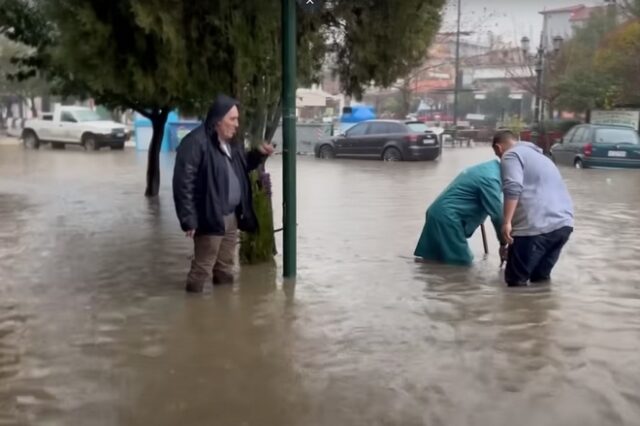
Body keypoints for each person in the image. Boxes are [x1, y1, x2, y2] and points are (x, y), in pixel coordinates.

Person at [173, 94, 274, 293]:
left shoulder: (231, 144)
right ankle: (193, 311)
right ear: (218, 119)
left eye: (237, 119)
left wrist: (259, 155)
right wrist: (188, 219)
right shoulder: (195, 143)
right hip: (209, 217)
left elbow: (243, 165)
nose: (237, 124)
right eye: (233, 119)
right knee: (202, 268)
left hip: (232, 217)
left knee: (226, 267)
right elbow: (183, 184)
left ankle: (224, 308)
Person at [492, 130, 574, 287]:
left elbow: (513, 186)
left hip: (535, 228)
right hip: (563, 225)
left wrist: (507, 221)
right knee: (540, 279)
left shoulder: (511, 155)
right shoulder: (542, 157)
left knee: (515, 283)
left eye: (497, 155)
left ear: (498, 148)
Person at [414, 158, 508, 266]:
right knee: (463, 266)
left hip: (439, 214)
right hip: (448, 219)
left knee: (433, 263)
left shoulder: (489, 169)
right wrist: (503, 243)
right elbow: (498, 216)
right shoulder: (491, 179)